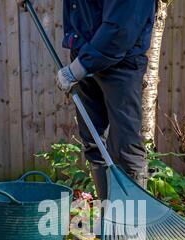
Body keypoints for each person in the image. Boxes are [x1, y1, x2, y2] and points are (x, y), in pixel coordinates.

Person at [57, 0, 157, 201]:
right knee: (94, 144)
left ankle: (131, 227)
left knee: (124, 147)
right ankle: (110, 219)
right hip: (84, 52)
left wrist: (80, 67)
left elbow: (121, 28)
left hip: (121, 61)